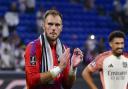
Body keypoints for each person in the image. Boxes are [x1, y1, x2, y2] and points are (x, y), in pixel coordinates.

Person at [24, 9, 83, 89]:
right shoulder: (33, 48)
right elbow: (32, 80)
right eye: (50, 24)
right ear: (43, 26)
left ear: (61, 28)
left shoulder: (63, 50)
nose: (53, 28)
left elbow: (67, 85)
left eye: (57, 25)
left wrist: (73, 68)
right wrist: (59, 68)